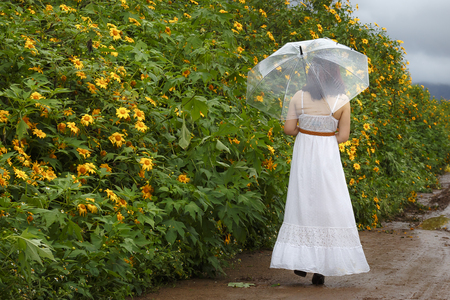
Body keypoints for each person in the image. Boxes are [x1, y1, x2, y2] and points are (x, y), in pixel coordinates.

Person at [270, 58, 370, 285]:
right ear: (336, 75)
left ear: (310, 74)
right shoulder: (343, 101)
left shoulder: (298, 97)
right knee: (328, 204)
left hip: (304, 153)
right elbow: (343, 137)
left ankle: (301, 260)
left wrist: (306, 130)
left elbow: (288, 129)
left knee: (303, 202)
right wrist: (324, 133)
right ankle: (322, 266)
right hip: (328, 155)